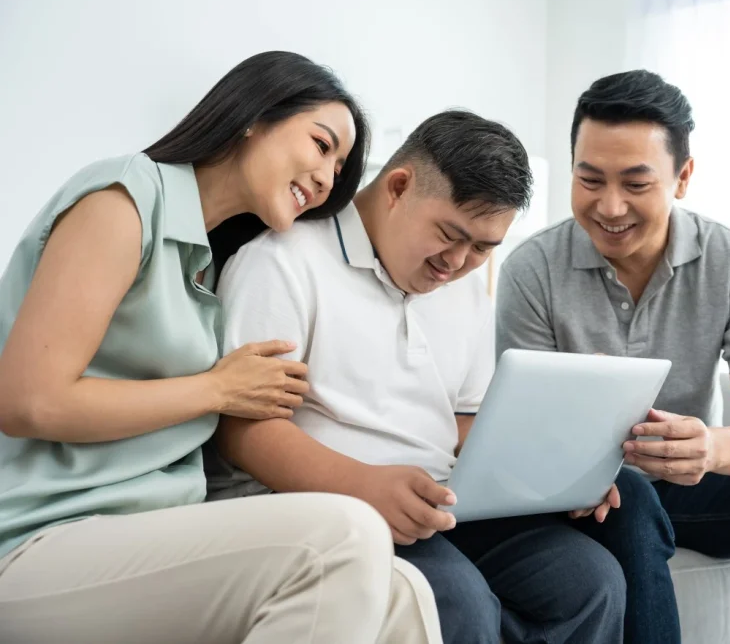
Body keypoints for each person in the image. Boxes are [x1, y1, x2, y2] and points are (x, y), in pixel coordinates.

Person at [0, 51, 441, 644]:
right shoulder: (124, 200)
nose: (328, 176)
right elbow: (30, 401)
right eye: (321, 144)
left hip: (153, 531)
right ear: (253, 116)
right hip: (40, 536)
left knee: (404, 593)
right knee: (344, 533)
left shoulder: (209, 266)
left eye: (340, 167)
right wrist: (216, 388)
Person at [205, 110, 627, 644]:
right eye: (450, 235)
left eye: (483, 248)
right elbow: (242, 432)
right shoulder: (283, 263)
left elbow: (465, 425)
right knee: (454, 600)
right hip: (324, 504)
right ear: (398, 188)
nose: (457, 262)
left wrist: (553, 475)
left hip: (440, 502)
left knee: (588, 582)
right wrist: (362, 485)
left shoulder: (467, 290)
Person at [495, 70, 730, 644]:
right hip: (584, 494)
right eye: (589, 178)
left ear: (683, 177)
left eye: (636, 183)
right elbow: (521, 433)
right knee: (632, 497)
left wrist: (712, 446)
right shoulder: (531, 270)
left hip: (693, 480)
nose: (610, 205)